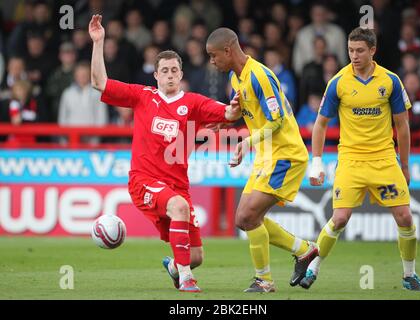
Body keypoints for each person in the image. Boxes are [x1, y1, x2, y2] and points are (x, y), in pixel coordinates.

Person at [89, 15, 241, 293]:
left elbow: (230, 113)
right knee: (179, 208)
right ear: (156, 75)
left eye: (174, 70)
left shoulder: (193, 103)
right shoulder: (142, 96)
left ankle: (175, 267)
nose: (170, 75)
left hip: (178, 186)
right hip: (143, 180)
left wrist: (238, 101)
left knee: (196, 257)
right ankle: (185, 279)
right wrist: (98, 42)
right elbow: (100, 82)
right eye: (165, 71)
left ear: (181, 75)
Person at [305, 27, 420, 291]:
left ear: (373, 50)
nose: (354, 56)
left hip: (384, 159)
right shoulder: (338, 82)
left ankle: (409, 275)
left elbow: (402, 126)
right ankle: (313, 267)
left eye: (360, 50)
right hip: (351, 159)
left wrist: (404, 165)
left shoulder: (390, 81)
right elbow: (320, 124)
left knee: (405, 217)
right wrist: (316, 162)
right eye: (350, 50)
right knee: (339, 218)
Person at [206, 27, 318, 293]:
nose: (211, 62)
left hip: (285, 154)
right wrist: (226, 122)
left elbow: (277, 120)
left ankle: (265, 280)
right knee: (244, 219)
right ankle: (303, 250)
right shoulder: (236, 77)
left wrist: (247, 142)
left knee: (247, 215)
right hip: (267, 155)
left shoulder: (260, 76)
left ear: (227, 50)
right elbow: (248, 110)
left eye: (213, 56)